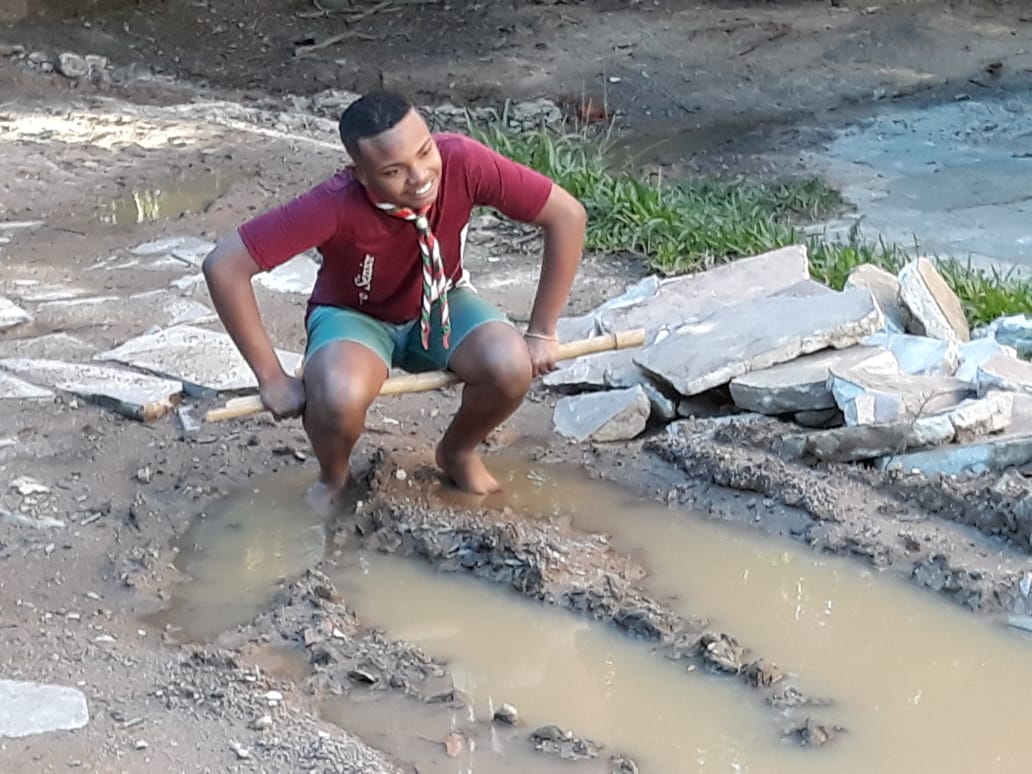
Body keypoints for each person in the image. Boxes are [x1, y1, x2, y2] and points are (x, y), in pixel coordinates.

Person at [203, 90, 587, 511]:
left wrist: (542, 331)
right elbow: (225, 266)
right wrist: (271, 377)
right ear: (361, 174)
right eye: (393, 171)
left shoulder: (463, 161)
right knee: (337, 395)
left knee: (510, 366)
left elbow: (566, 215)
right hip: (355, 315)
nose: (420, 176)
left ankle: (457, 452)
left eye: (424, 151)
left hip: (442, 299)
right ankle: (334, 476)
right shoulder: (333, 203)